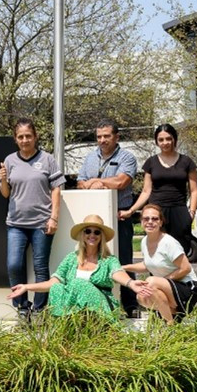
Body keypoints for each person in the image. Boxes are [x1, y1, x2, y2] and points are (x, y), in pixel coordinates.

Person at [7, 214, 136, 317]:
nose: (92, 235)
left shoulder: (108, 260)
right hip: (74, 310)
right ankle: (65, 325)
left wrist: (131, 283)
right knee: (57, 288)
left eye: (97, 232)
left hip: (101, 309)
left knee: (78, 284)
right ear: (83, 235)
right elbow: (53, 282)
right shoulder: (71, 259)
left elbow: (117, 273)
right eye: (88, 231)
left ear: (101, 236)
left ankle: (93, 326)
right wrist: (26, 287)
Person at [0, 118, 64, 315]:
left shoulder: (47, 159)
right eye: (20, 137)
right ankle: (22, 307)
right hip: (16, 223)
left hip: (41, 223)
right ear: (15, 139)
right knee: (14, 265)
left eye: (28, 136)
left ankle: (39, 308)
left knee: (40, 267)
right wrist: (2, 180)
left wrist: (54, 218)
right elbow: (5, 193)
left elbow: (56, 190)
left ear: (35, 137)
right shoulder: (9, 161)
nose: (25, 140)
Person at [77, 120, 140, 317]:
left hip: (119, 215)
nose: (102, 140)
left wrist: (96, 182)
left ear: (116, 137)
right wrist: (91, 184)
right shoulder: (89, 158)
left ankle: (130, 305)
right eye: (99, 136)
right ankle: (100, 303)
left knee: (123, 260)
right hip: (95, 219)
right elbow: (79, 182)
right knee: (95, 260)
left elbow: (122, 181)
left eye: (107, 136)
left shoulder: (127, 157)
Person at [125, 124, 197, 255]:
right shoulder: (151, 163)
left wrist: (191, 214)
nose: (165, 143)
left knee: (179, 253)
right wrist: (131, 210)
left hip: (179, 212)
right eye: (161, 140)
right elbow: (146, 192)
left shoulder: (186, 162)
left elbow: (194, 191)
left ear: (174, 139)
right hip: (156, 212)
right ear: (156, 142)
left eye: (168, 138)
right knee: (156, 253)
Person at [122, 204, 197, 323]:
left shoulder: (168, 242)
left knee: (151, 282)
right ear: (141, 221)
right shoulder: (144, 241)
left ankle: (170, 325)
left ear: (161, 222)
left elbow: (186, 268)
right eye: (146, 218)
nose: (150, 222)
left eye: (154, 219)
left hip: (188, 287)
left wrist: (164, 280)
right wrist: (123, 267)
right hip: (169, 286)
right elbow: (147, 264)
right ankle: (171, 316)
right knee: (141, 296)